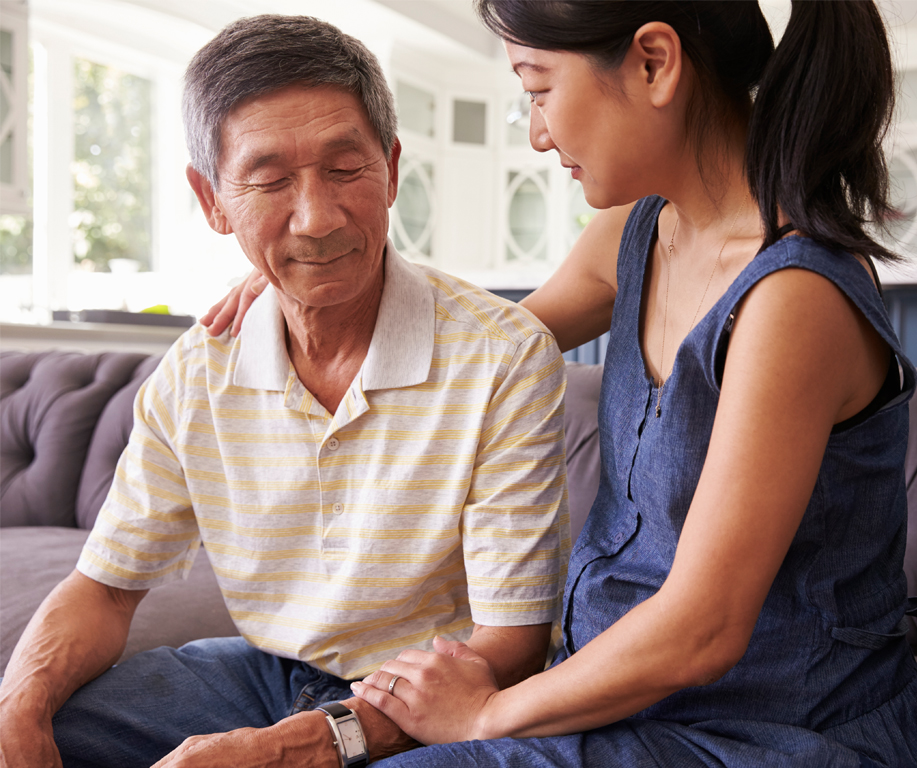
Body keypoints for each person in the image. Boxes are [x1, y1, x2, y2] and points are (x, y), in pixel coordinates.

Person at [204, 1, 917, 766]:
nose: (537, 132)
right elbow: (470, 353)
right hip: (619, 706)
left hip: (771, 734)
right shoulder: (637, 232)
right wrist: (306, 288)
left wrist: (485, 713)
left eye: (538, 89)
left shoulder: (794, 297)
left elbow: (705, 627)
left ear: (654, 64)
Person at [0, 15, 571, 768]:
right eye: (270, 180)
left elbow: (513, 645)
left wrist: (303, 745)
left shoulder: (503, 358)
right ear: (211, 200)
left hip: (435, 699)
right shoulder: (196, 373)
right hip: (261, 672)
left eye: (345, 169)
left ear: (392, 170)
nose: (318, 218)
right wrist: (21, 708)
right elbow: (104, 590)